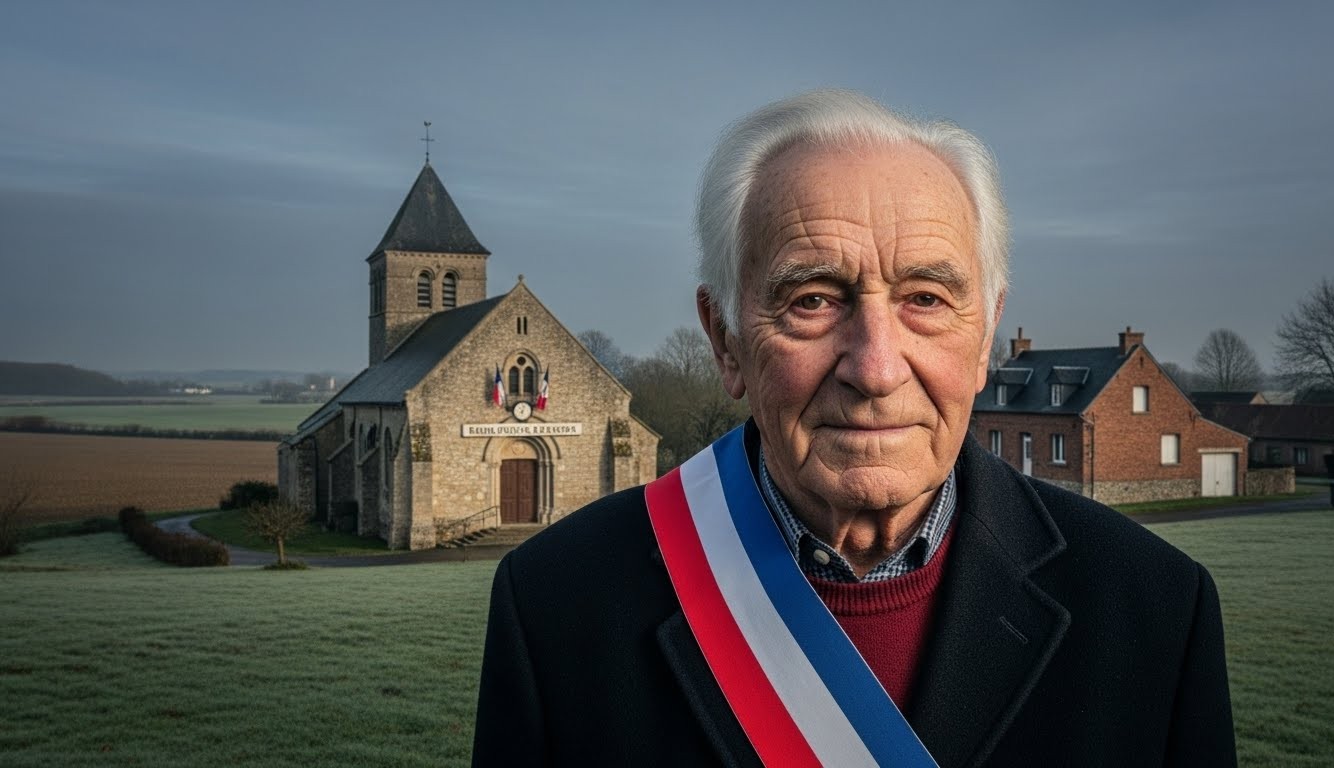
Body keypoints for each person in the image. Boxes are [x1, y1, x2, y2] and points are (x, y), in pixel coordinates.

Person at [473, 90, 1236, 767]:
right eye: (811, 299)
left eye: (927, 299)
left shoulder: (1156, 613)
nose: (875, 368)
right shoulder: (553, 608)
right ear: (724, 340)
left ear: (985, 338)